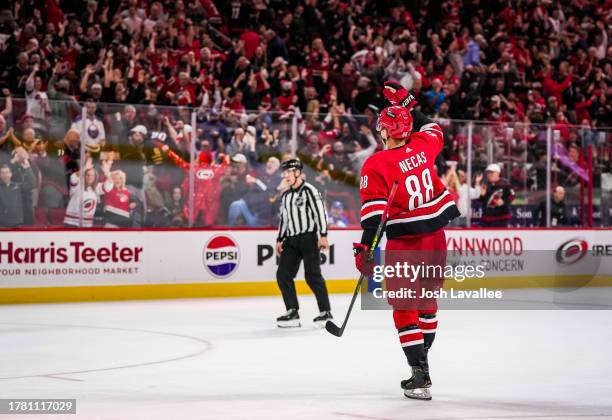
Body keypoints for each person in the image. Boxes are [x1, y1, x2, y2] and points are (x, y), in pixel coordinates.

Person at [353, 81, 460, 400]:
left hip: (407, 243)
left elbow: (373, 218)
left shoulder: (376, 164)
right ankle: (422, 362)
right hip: (437, 239)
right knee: (427, 303)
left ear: (384, 132)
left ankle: (420, 373)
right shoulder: (424, 145)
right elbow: (431, 126)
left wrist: (364, 249)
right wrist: (410, 104)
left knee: (403, 306)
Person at [275, 158, 333, 328]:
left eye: (288, 172)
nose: (285, 176)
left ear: (297, 172)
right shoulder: (286, 195)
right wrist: (279, 239)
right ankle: (292, 312)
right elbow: (284, 219)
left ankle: (325, 312)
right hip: (291, 241)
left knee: (312, 276)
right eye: (284, 173)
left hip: (308, 238)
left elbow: (320, 213)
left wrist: (323, 235)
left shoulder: (310, 190)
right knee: (283, 275)